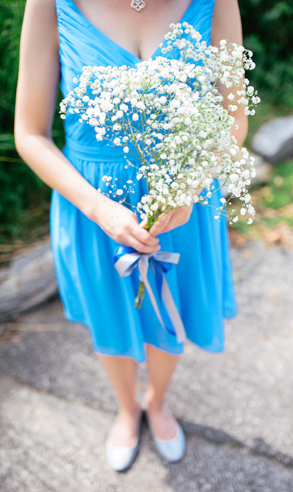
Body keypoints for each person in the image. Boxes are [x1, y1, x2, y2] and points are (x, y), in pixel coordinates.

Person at [14, 0, 246, 471]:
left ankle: (157, 402)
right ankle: (126, 407)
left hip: (182, 208)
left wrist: (191, 187)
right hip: (92, 208)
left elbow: (233, 118)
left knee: (171, 314)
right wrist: (98, 208)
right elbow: (29, 133)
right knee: (111, 317)